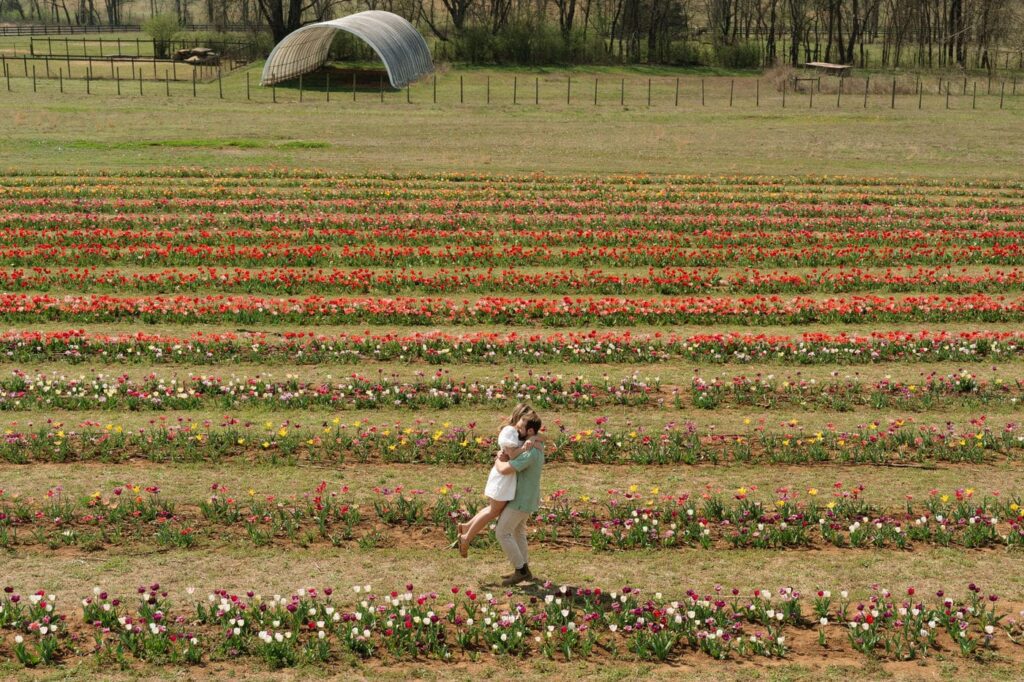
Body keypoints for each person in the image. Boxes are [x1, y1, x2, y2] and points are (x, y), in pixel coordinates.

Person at [454, 404, 545, 558]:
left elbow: (542, 437)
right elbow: (512, 454)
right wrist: (526, 447)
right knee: (494, 510)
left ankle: (466, 527)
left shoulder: (520, 433)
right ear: (520, 417)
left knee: (494, 509)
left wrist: (535, 438)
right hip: (504, 476)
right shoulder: (510, 431)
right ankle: (466, 537)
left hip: (508, 477)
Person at [492, 413, 545, 586]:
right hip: (529, 497)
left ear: (530, 431)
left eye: (521, 428)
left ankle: (520, 570)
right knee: (518, 532)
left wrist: (497, 462)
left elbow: (506, 469)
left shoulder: (530, 453)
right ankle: (525, 569)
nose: (518, 430)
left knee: (502, 532)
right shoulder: (536, 446)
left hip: (521, 499)